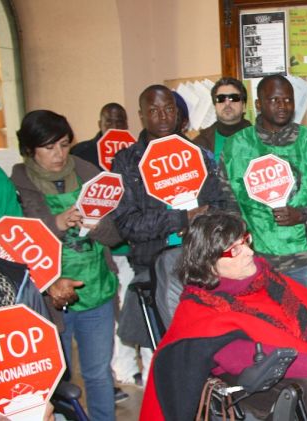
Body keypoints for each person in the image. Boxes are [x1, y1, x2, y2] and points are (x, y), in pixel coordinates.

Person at [140, 211, 307, 421]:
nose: (248, 252)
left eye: (245, 241)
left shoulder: (266, 278)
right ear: (209, 263)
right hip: (251, 383)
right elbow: (243, 359)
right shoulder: (201, 308)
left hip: (300, 357)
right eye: (234, 250)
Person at [110, 85, 238, 361]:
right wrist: (180, 219)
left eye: (169, 108)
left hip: (203, 259)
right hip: (154, 262)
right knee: (168, 357)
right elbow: (126, 224)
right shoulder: (127, 162)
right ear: (141, 116)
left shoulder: (199, 153)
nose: (163, 116)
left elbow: (218, 205)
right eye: (154, 111)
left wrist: (201, 219)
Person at [10, 110, 122, 421]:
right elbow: (15, 244)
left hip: (95, 287)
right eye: (48, 148)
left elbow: (115, 237)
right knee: (57, 379)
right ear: (30, 149)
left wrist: (96, 224)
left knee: (99, 374)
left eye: (62, 145)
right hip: (47, 297)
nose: (58, 155)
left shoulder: (90, 173)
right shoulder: (18, 183)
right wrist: (57, 223)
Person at [222, 74, 307, 287]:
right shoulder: (236, 147)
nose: (282, 105)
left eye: (288, 100)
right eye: (274, 100)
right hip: (256, 261)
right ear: (258, 104)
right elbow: (227, 204)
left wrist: (304, 214)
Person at [69, 102, 144, 400]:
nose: (114, 123)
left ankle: (131, 368)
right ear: (99, 121)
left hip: (131, 245)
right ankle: (120, 370)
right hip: (97, 247)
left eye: (120, 120)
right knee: (112, 311)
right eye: (108, 119)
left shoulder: (137, 152)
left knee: (130, 307)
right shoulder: (83, 154)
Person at [193, 77, 252, 161]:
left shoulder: (258, 140)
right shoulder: (198, 145)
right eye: (221, 99)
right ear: (215, 106)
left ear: (243, 105)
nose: (227, 103)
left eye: (234, 98)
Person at [69, 103, 128, 169]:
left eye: (119, 122)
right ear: (100, 124)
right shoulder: (80, 152)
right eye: (109, 122)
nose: (114, 127)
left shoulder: (136, 152)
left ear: (126, 125)